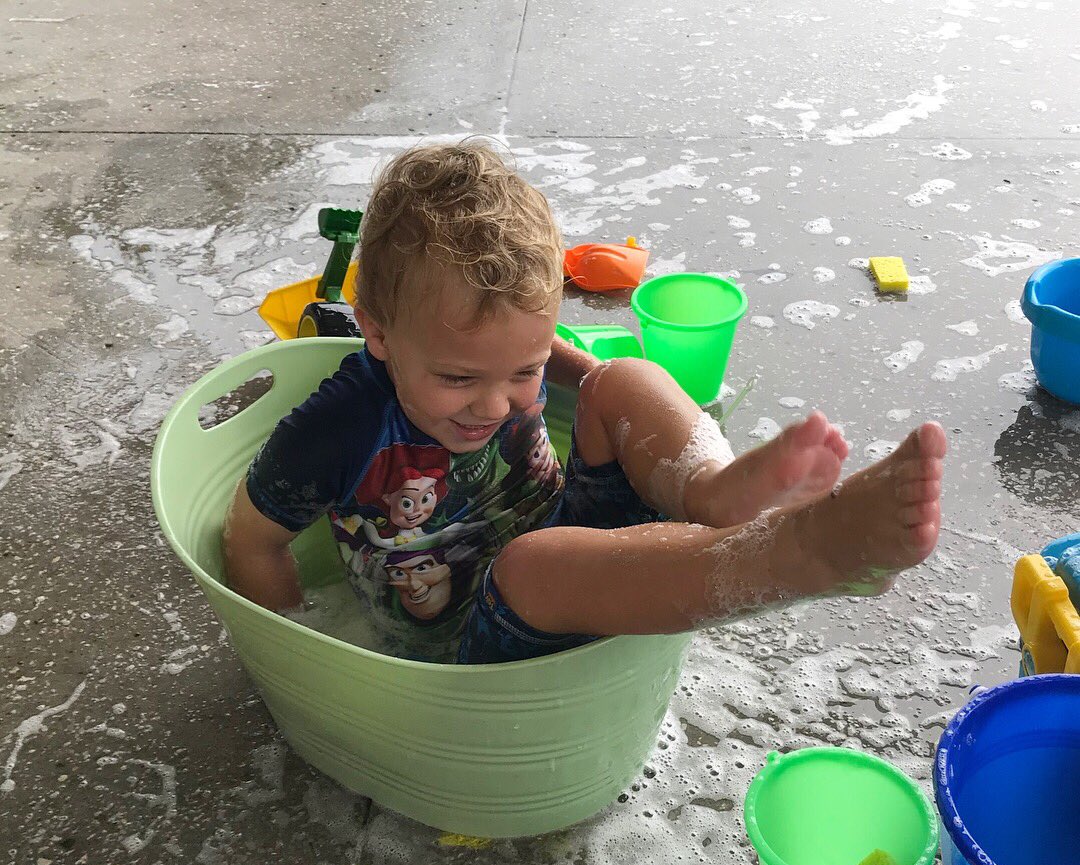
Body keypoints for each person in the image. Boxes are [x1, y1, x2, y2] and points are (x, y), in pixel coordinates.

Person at [223, 140, 946, 664]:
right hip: (471, 634)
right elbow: (251, 539)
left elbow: (575, 376)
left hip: (576, 536)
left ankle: (715, 491)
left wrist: (600, 392)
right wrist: (299, 648)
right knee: (532, 564)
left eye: (524, 370)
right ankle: (792, 555)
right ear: (377, 333)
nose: (497, 407)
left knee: (621, 377)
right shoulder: (339, 426)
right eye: (459, 379)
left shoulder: (493, 362)